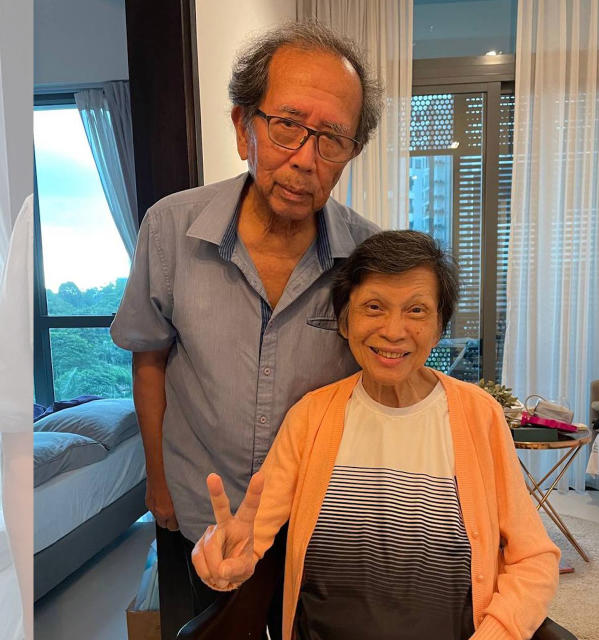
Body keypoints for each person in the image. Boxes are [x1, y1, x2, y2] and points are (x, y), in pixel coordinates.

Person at [109, 21, 383, 638]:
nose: (306, 159)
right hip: (197, 507)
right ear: (243, 128)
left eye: (333, 139)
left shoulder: (368, 254)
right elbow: (149, 358)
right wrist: (156, 485)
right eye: (287, 125)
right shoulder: (169, 229)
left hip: (320, 514)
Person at [192, 230, 561, 640]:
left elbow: (534, 558)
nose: (393, 330)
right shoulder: (312, 416)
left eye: (416, 310)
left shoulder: (479, 415)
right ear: (345, 321)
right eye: (374, 306)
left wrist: (497, 633)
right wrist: (226, 562)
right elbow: (248, 541)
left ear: (439, 327)